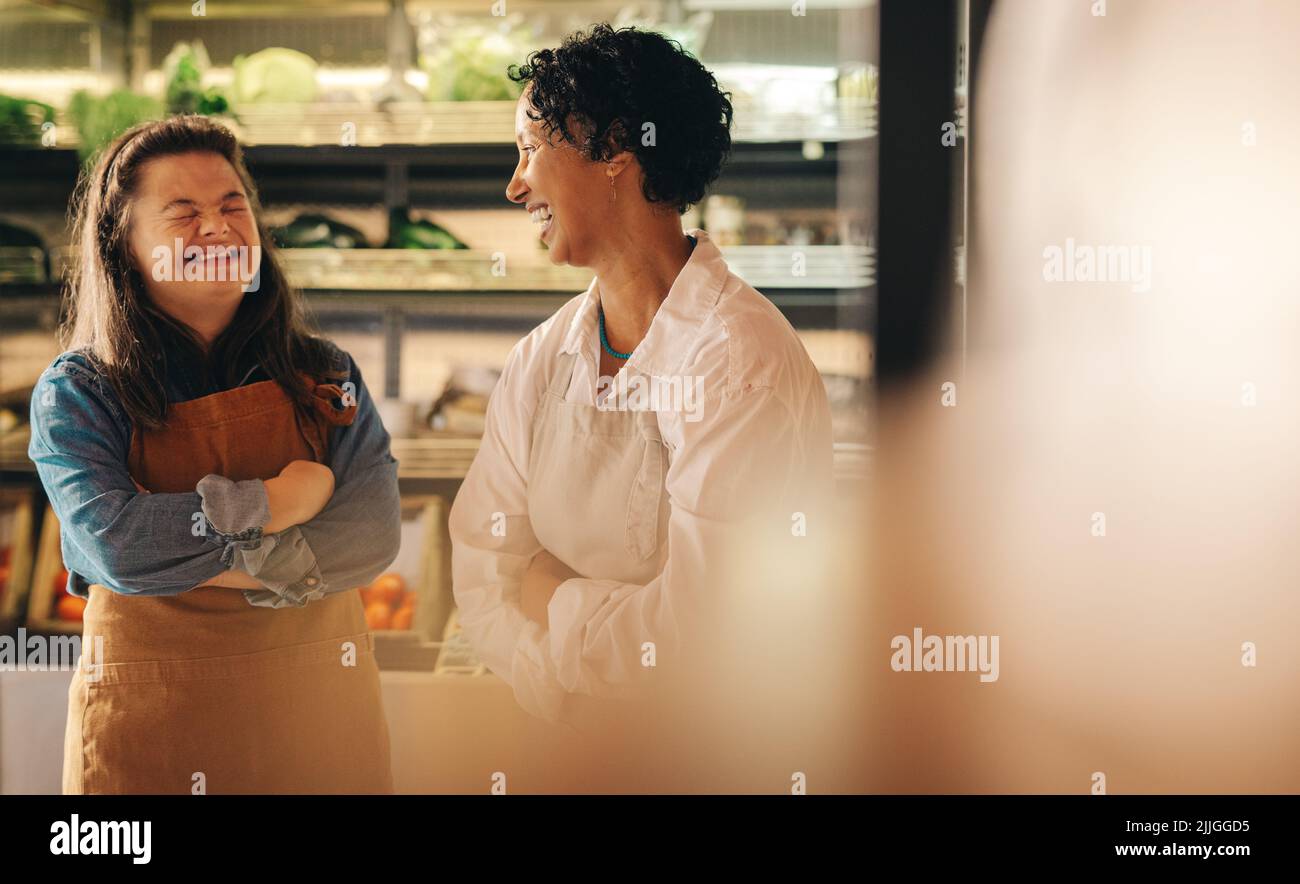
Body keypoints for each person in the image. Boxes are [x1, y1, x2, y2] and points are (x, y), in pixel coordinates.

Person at [449, 24, 836, 724]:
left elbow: (695, 638)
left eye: (531, 151)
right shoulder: (541, 358)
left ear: (616, 152)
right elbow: (483, 569)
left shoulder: (739, 365)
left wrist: (552, 595)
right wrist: (570, 686)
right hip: (568, 745)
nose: (514, 186)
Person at [28, 115, 400, 794]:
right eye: (184, 212)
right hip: (152, 723)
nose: (219, 228)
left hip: (317, 724)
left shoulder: (324, 371)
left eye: (234, 207)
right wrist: (280, 504)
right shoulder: (81, 391)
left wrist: (188, 555)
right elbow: (119, 546)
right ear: (123, 244)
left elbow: (373, 536)